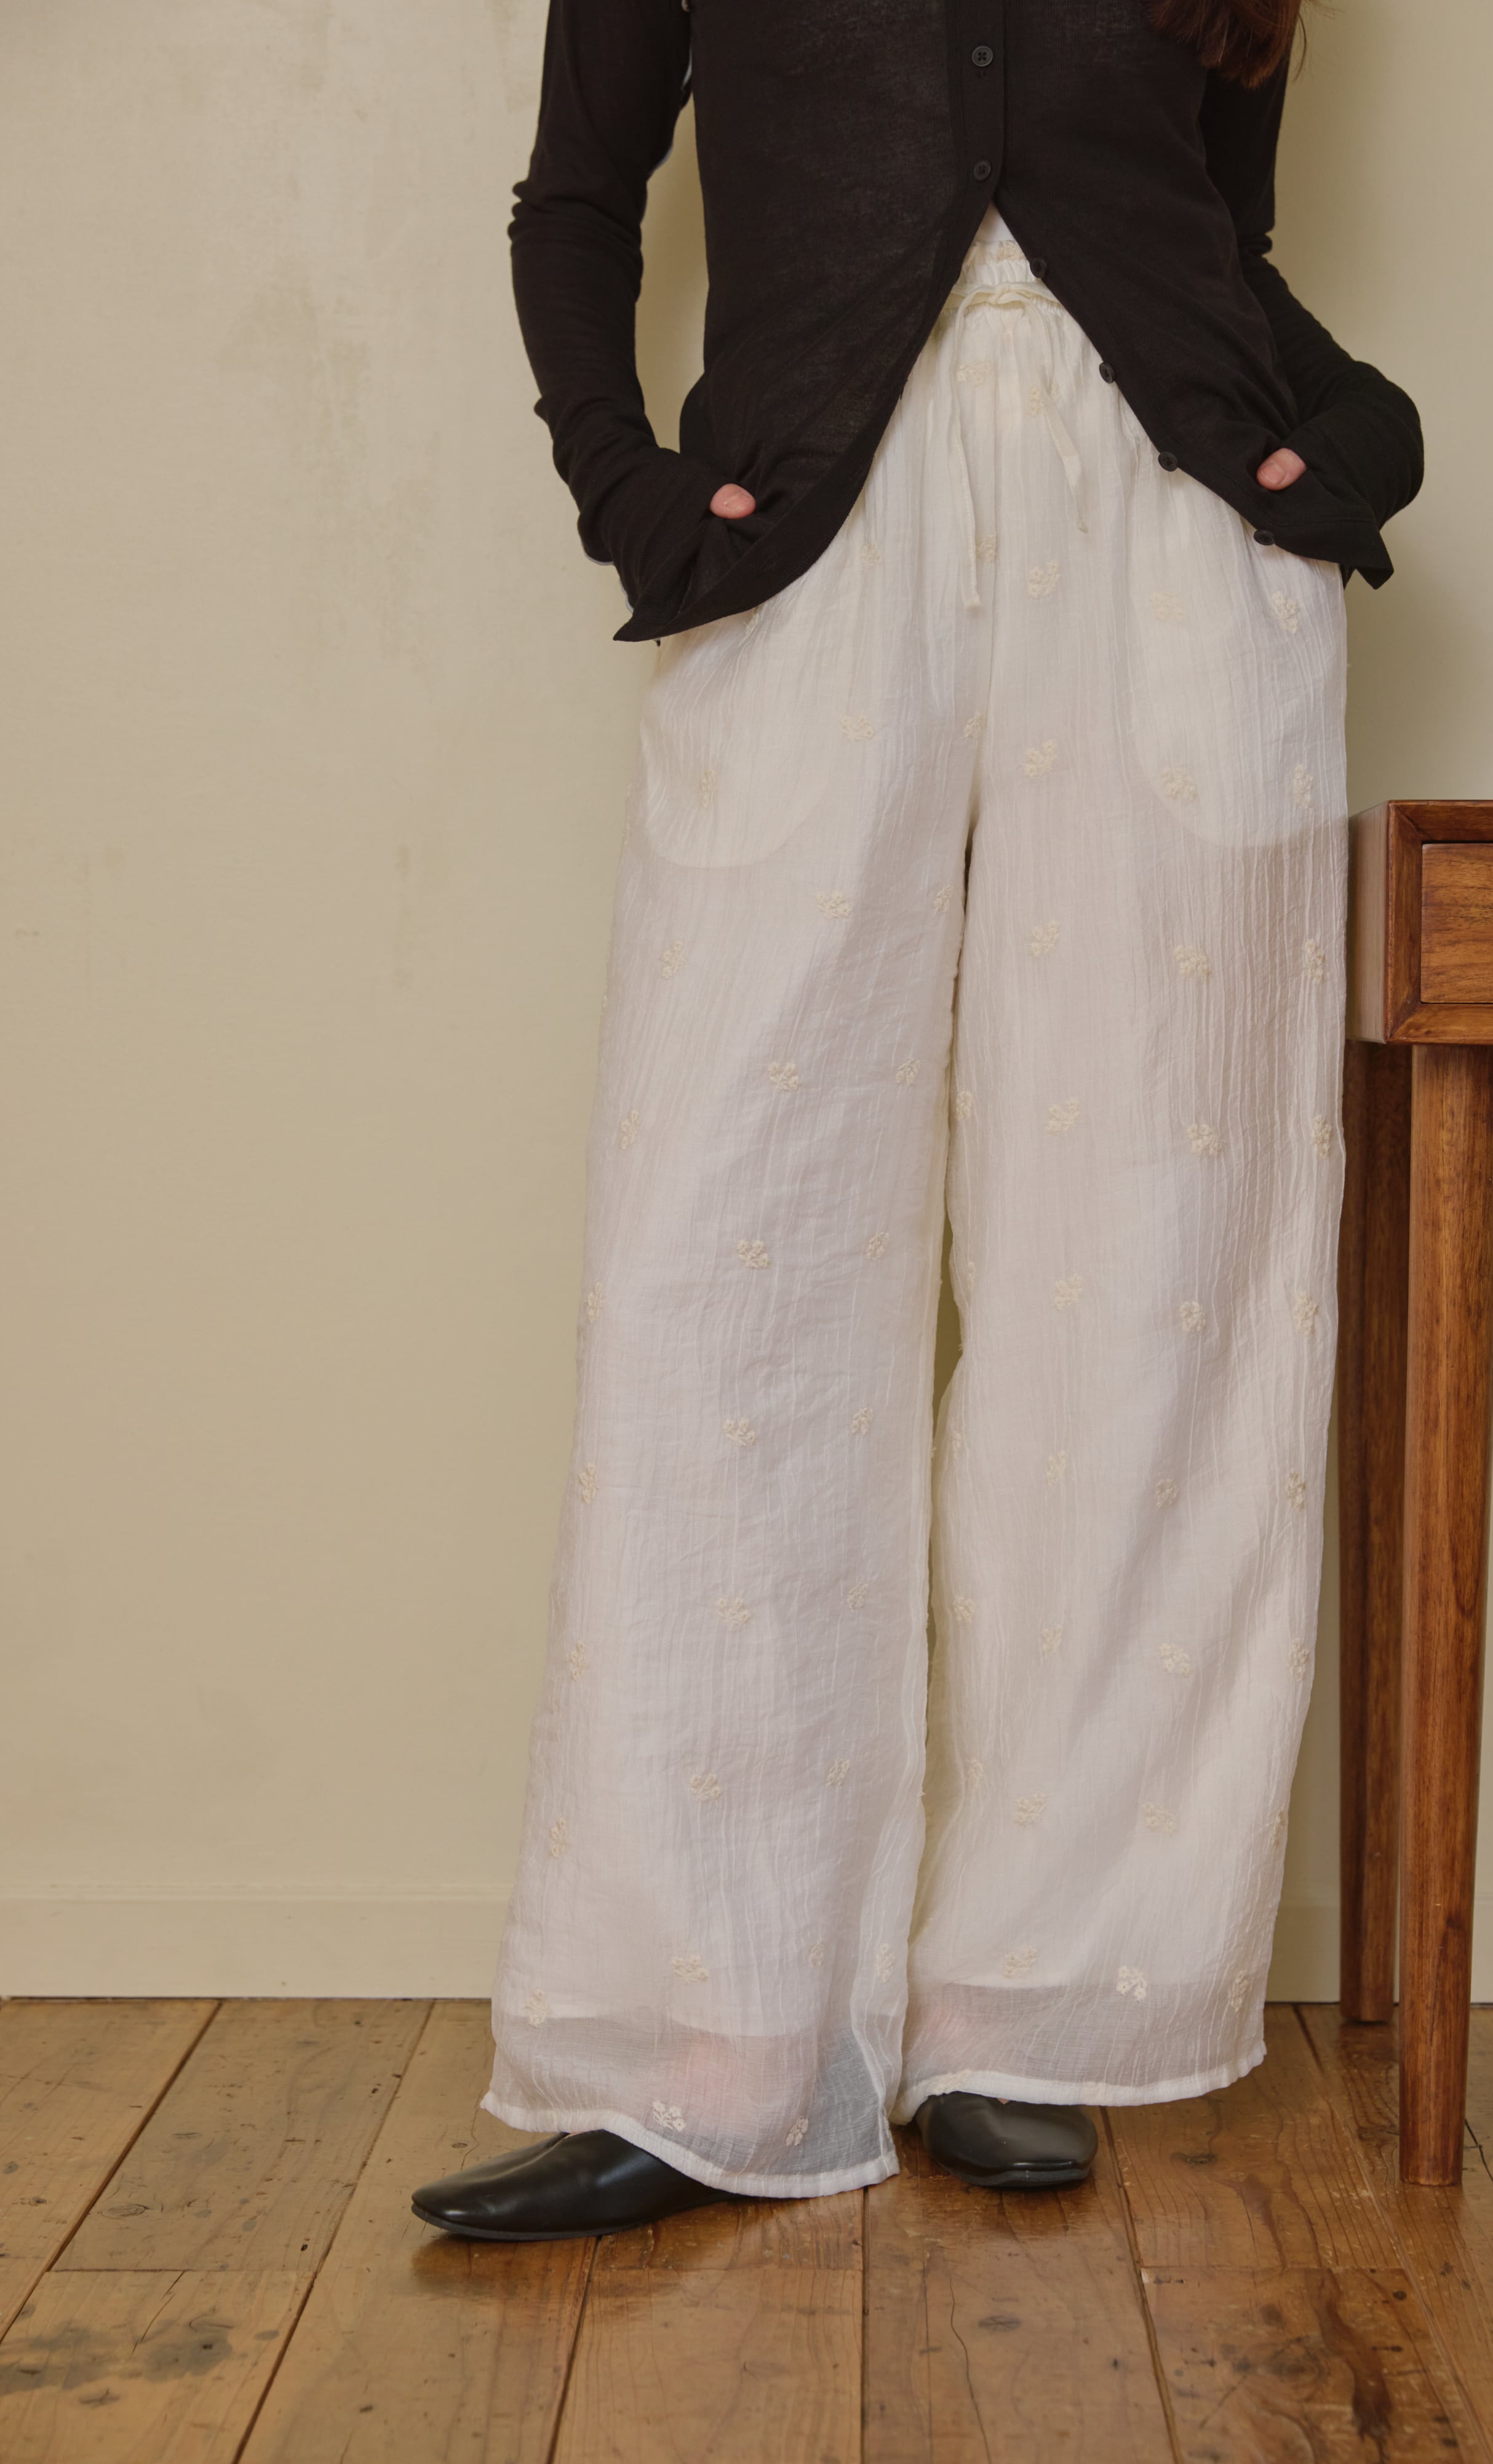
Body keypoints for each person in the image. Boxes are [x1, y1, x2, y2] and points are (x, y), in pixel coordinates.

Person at [413, 0, 1422, 2241]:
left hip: (1169, 555)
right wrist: (623, 486)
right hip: (813, 535)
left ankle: (1033, 2000)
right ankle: (717, 2033)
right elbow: (577, 202)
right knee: (725, 1260)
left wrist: (1339, 439)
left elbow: (1212, 231)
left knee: (1149, 1271)